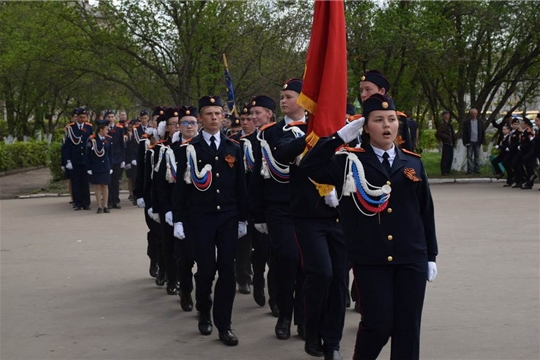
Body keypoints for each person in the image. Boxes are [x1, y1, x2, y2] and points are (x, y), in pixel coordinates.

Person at [300, 93, 438, 360]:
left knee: (408, 328)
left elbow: (425, 213)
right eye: (378, 120)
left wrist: (431, 255)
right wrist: (338, 138)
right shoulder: (349, 161)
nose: (387, 126)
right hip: (370, 258)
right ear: (365, 127)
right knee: (378, 324)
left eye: (391, 119)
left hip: (411, 256)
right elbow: (309, 167)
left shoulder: (413, 162)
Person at [172, 95, 248, 346]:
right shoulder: (189, 148)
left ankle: (224, 324)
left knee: (227, 271)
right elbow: (181, 188)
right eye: (209, 114)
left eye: (218, 113)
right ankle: (204, 311)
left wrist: (242, 219)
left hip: (227, 217)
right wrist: (179, 220)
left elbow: (240, 186)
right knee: (206, 270)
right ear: (201, 118)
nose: (214, 118)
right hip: (200, 218)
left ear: (223, 117)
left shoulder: (233, 147)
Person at [274, 108, 347, 360]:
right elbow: (281, 154)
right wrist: (312, 136)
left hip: (341, 219)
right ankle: (312, 330)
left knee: (339, 280)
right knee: (321, 273)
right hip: (309, 218)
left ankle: (333, 342)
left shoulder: (351, 133)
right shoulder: (297, 133)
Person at [249, 79, 306, 340]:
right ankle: (285, 315)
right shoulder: (270, 132)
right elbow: (260, 177)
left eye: (289, 96)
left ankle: (304, 318)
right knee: (288, 259)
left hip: (310, 208)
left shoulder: (318, 128)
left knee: (309, 265)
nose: (283, 101)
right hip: (280, 207)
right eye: (281, 97)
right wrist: (258, 214)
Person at [133, 106, 163, 278]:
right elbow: (141, 170)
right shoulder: (146, 142)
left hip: (166, 195)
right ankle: (155, 260)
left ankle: (167, 267)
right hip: (150, 193)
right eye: (157, 121)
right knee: (155, 232)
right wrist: (140, 194)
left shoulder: (174, 141)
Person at [65, 108, 93, 210]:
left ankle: (86, 203)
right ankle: (77, 203)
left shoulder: (89, 127)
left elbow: (91, 144)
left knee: (85, 182)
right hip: (75, 159)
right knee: (76, 182)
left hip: (85, 159)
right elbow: (67, 145)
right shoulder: (70, 128)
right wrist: (68, 160)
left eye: (84, 117)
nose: (82, 119)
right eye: (80, 117)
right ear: (77, 118)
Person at [86, 119, 113, 213]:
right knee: (97, 186)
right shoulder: (92, 139)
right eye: (106, 129)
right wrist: (89, 168)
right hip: (95, 166)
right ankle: (99, 206)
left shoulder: (108, 139)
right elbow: (88, 155)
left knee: (105, 186)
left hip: (105, 165)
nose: (107, 131)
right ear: (101, 129)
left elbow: (110, 154)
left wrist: (111, 166)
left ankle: (105, 206)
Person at [106, 110, 126, 209]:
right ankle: (109, 200)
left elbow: (122, 144)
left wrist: (123, 159)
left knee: (116, 180)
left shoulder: (119, 129)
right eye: (109, 117)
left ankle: (116, 200)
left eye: (112, 116)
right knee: (108, 180)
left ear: (114, 118)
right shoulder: (104, 129)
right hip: (108, 158)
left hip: (117, 158)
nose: (110, 118)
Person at [462, 108, 485, 174]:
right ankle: (470, 170)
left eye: (475, 113)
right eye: (472, 113)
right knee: (469, 156)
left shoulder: (480, 122)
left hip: (477, 141)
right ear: (470, 114)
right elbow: (464, 133)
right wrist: (465, 142)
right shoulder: (466, 122)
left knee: (477, 156)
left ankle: (477, 169)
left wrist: (483, 141)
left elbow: (482, 131)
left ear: (477, 114)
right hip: (470, 141)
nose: (474, 115)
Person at [502, 118, 522, 187]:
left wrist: (510, 147)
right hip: (510, 151)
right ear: (512, 125)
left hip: (515, 151)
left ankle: (517, 180)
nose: (515, 125)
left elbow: (518, 142)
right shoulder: (512, 132)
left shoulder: (519, 132)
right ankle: (511, 178)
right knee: (505, 163)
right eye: (514, 124)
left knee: (515, 165)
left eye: (517, 124)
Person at [436, 110, 456, 176]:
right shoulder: (442, 124)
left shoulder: (449, 124)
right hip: (446, 143)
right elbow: (438, 133)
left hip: (451, 143)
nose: (448, 116)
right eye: (447, 115)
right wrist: (446, 137)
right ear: (444, 116)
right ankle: (444, 171)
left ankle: (448, 170)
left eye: (448, 115)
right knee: (445, 157)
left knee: (450, 157)